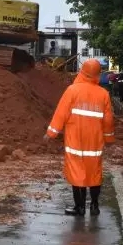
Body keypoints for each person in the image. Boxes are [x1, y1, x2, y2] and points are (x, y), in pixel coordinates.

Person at [43, 58, 115, 216]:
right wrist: (109, 138)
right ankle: (94, 206)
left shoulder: (72, 90)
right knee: (94, 172)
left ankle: (80, 207)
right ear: (97, 74)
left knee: (77, 172)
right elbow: (108, 120)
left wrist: (51, 133)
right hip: (95, 143)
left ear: (83, 72)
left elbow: (61, 114)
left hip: (75, 141)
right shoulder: (103, 94)